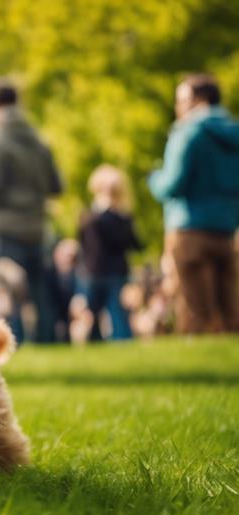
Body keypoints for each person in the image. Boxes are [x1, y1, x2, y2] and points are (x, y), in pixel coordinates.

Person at [0, 79, 62, 343]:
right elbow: (56, 185)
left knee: (1, 290)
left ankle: (3, 346)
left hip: (2, 227)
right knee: (40, 292)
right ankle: (46, 342)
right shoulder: (38, 140)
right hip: (37, 226)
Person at [149, 73, 239, 334]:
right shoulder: (234, 135)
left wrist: (154, 179)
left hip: (190, 229)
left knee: (196, 311)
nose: (178, 108)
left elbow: (171, 184)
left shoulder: (188, 133)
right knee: (230, 311)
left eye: (181, 101)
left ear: (198, 101)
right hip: (226, 230)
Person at [79, 165, 143, 341]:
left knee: (117, 314)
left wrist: (115, 214)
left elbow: (133, 243)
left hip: (115, 273)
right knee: (92, 315)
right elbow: (84, 240)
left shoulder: (122, 218)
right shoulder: (90, 216)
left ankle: (122, 342)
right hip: (94, 272)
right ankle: (93, 343)